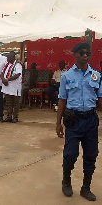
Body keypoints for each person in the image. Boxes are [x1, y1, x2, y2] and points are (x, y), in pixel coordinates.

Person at [56, 42, 102, 201]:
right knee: (70, 154)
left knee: (91, 154)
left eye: (87, 53)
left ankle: (86, 187)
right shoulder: (66, 76)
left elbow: (100, 99)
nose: (85, 55)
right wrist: (58, 123)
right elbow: (62, 100)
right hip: (73, 120)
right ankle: (66, 181)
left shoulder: (96, 75)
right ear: (74, 54)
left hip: (91, 120)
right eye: (82, 53)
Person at [1, 52, 22, 123]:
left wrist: (7, 80)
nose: (7, 59)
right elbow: (2, 73)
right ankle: (9, 116)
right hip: (7, 87)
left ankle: (15, 117)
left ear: (13, 58)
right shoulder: (6, 65)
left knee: (15, 103)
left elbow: (17, 75)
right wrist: (3, 79)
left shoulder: (18, 65)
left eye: (8, 57)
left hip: (15, 87)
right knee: (8, 103)